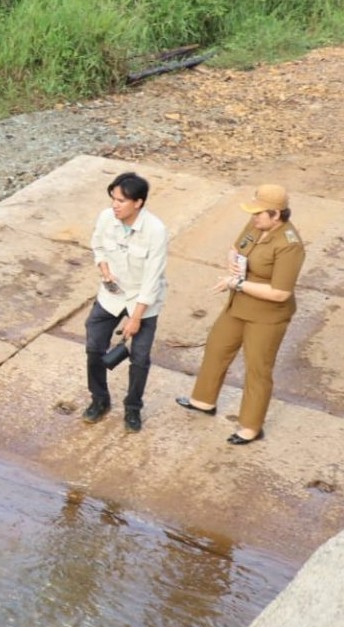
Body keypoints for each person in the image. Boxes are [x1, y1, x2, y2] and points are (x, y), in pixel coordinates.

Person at [176, 184, 306, 444]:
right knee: (216, 347)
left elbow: (280, 292)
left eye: (259, 213)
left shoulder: (289, 245)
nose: (254, 217)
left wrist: (237, 284)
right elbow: (237, 249)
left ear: (276, 215)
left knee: (257, 368)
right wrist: (233, 262)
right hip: (239, 304)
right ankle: (203, 400)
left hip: (267, 315)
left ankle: (250, 426)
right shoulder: (256, 224)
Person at [82, 172, 168, 432]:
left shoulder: (156, 231)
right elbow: (97, 245)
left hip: (143, 302)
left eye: (121, 201)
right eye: (113, 199)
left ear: (138, 203)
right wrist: (104, 268)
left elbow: (152, 278)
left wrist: (136, 318)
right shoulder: (107, 218)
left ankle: (133, 407)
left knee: (140, 359)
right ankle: (99, 399)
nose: (115, 205)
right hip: (111, 295)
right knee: (94, 347)